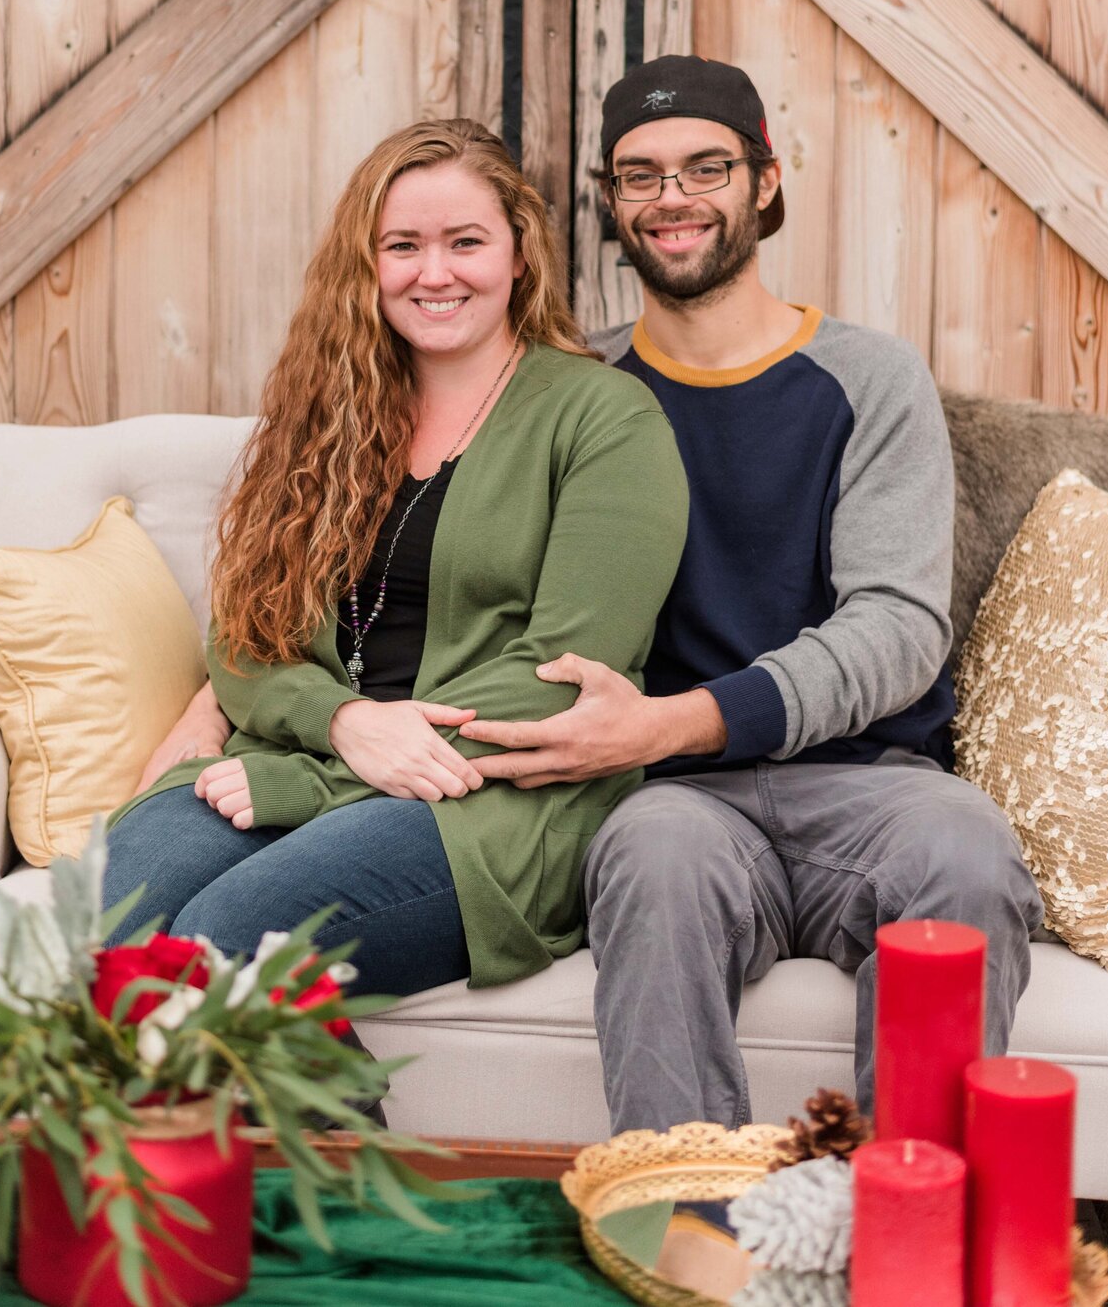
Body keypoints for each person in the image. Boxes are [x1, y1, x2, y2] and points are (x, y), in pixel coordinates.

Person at [455, 54, 1044, 1132]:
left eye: (705, 167)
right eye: (639, 175)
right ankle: (683, 1233)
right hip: (672, 802)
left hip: (870, 785)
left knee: (968, 852)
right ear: (610, 205)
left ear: (765, 183)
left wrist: (669, 724)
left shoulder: (868, 378)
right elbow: (433, 567)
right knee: (650, 860)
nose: (671, 197)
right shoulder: (573, 393)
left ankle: (910, 1235)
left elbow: (898, 629)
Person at [104, 118, 688, 998]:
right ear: (367, 262)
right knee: (113, 928)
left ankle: (322, 1146)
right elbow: (244, 634)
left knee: (223, 944)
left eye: (466, 241)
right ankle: (192, 1143)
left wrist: (311, 777)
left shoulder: (606, 419)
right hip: (314, 757)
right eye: (403, 245)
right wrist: (344, 725)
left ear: (519, 254)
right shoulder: (329, 411)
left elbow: (565, 676)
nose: (435, 271)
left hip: (493, 801)